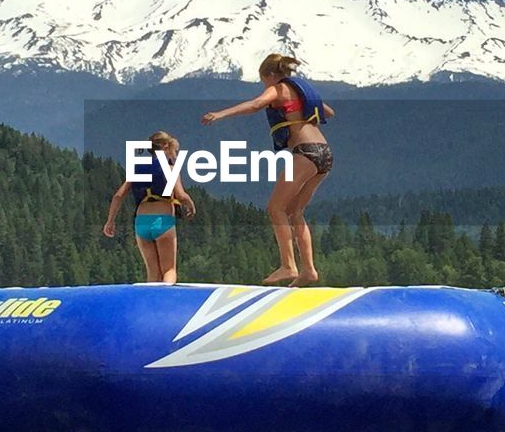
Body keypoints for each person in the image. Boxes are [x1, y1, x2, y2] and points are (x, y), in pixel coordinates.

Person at [202, 54, 334, 286]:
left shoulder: (278, 89)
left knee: (275, 208)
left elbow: (255, 105)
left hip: (305, 152)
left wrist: (220, 114)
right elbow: (328, 112)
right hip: (325, 154)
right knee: (295, 212)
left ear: (270, 75)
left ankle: (288, 266)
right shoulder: (302, 91)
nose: (265, 86)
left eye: (263, 81)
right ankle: (309, 270)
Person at [102, 131, 195, 284]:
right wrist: (191, 205)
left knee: (153, 274)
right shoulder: (170, 168)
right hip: (162, 220)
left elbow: (118, 195)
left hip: (141, 222)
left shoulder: (138, 168)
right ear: (166, 147)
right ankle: (165, 305)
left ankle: (150, 304)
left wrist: (110, 221)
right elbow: (181, 195)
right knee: (169, 270)